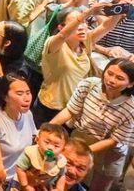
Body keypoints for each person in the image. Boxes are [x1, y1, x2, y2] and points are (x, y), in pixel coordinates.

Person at [49, 59, 134, 191]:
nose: (111, 80)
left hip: (109, 153)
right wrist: (47, 130)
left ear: (130, 84)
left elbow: (114, 140)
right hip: (81, 139)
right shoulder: (89, 85)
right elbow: (70, 110)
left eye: (119, 78)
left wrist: (84, 152)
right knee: (66, 178)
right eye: (109, 73)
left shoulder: (131, 108)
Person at [14, 123, 68, 191]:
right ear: (37, 140)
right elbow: (19, 168)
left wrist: (59, 188)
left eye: (56, 146)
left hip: (44, 186)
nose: (50, 148)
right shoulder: (31, 153)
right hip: (20, 184)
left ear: (62, 150)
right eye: (46, 142)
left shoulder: (60, 161)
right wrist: (25, 185)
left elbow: (62, 175)